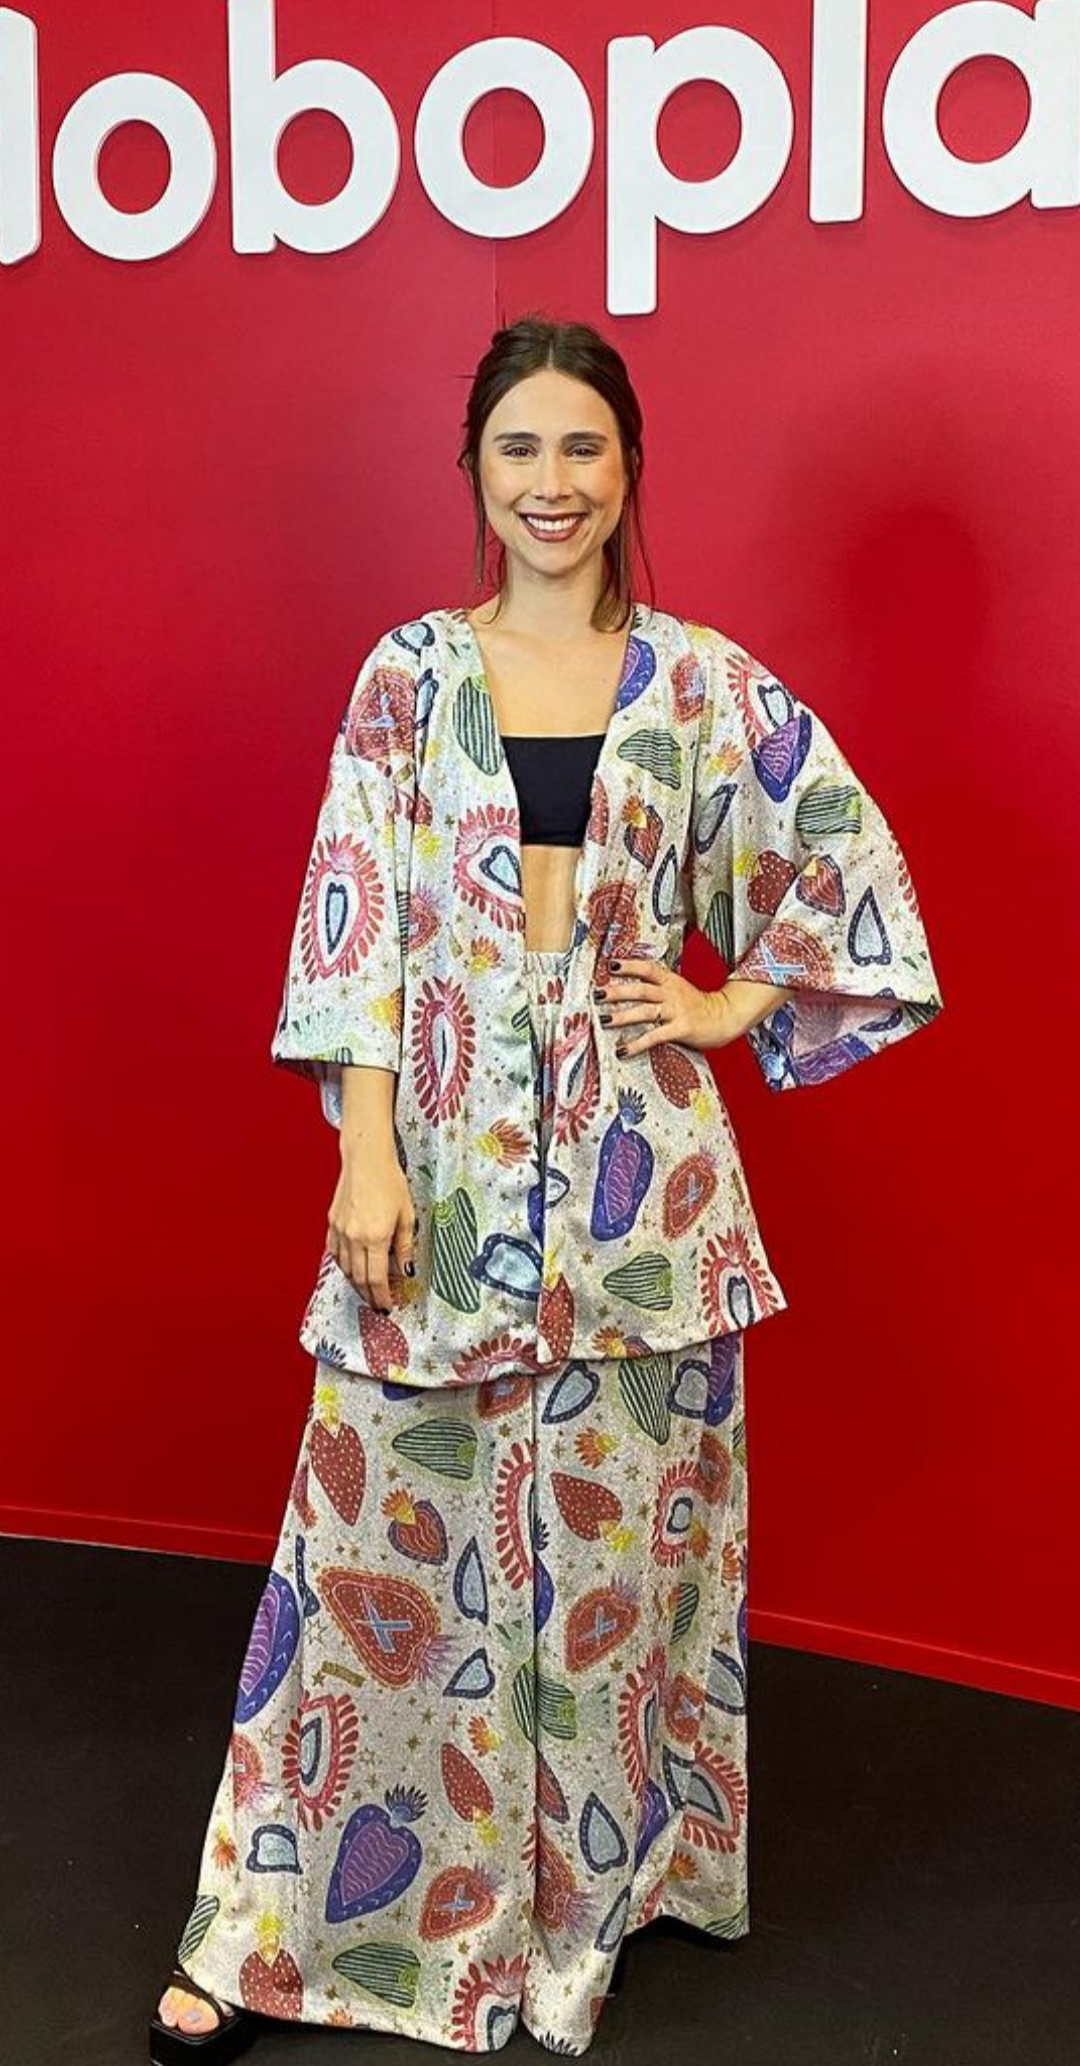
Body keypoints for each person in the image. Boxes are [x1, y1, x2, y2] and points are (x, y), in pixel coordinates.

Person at [150, 314, 944, 2061]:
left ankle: (579, 1905)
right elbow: (353, 922)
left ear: (629, 464)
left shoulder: (703, 685)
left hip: (643, 1212)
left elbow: (847, 875)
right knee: (366, 1551)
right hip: (434, 1178)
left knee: (612, 1579)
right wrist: (365, 1149)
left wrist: (732, 1000)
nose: (553, 482)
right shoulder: (407, 678)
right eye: (520, 447)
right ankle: (276, 1923)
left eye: (583, 446)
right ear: (474, 470)